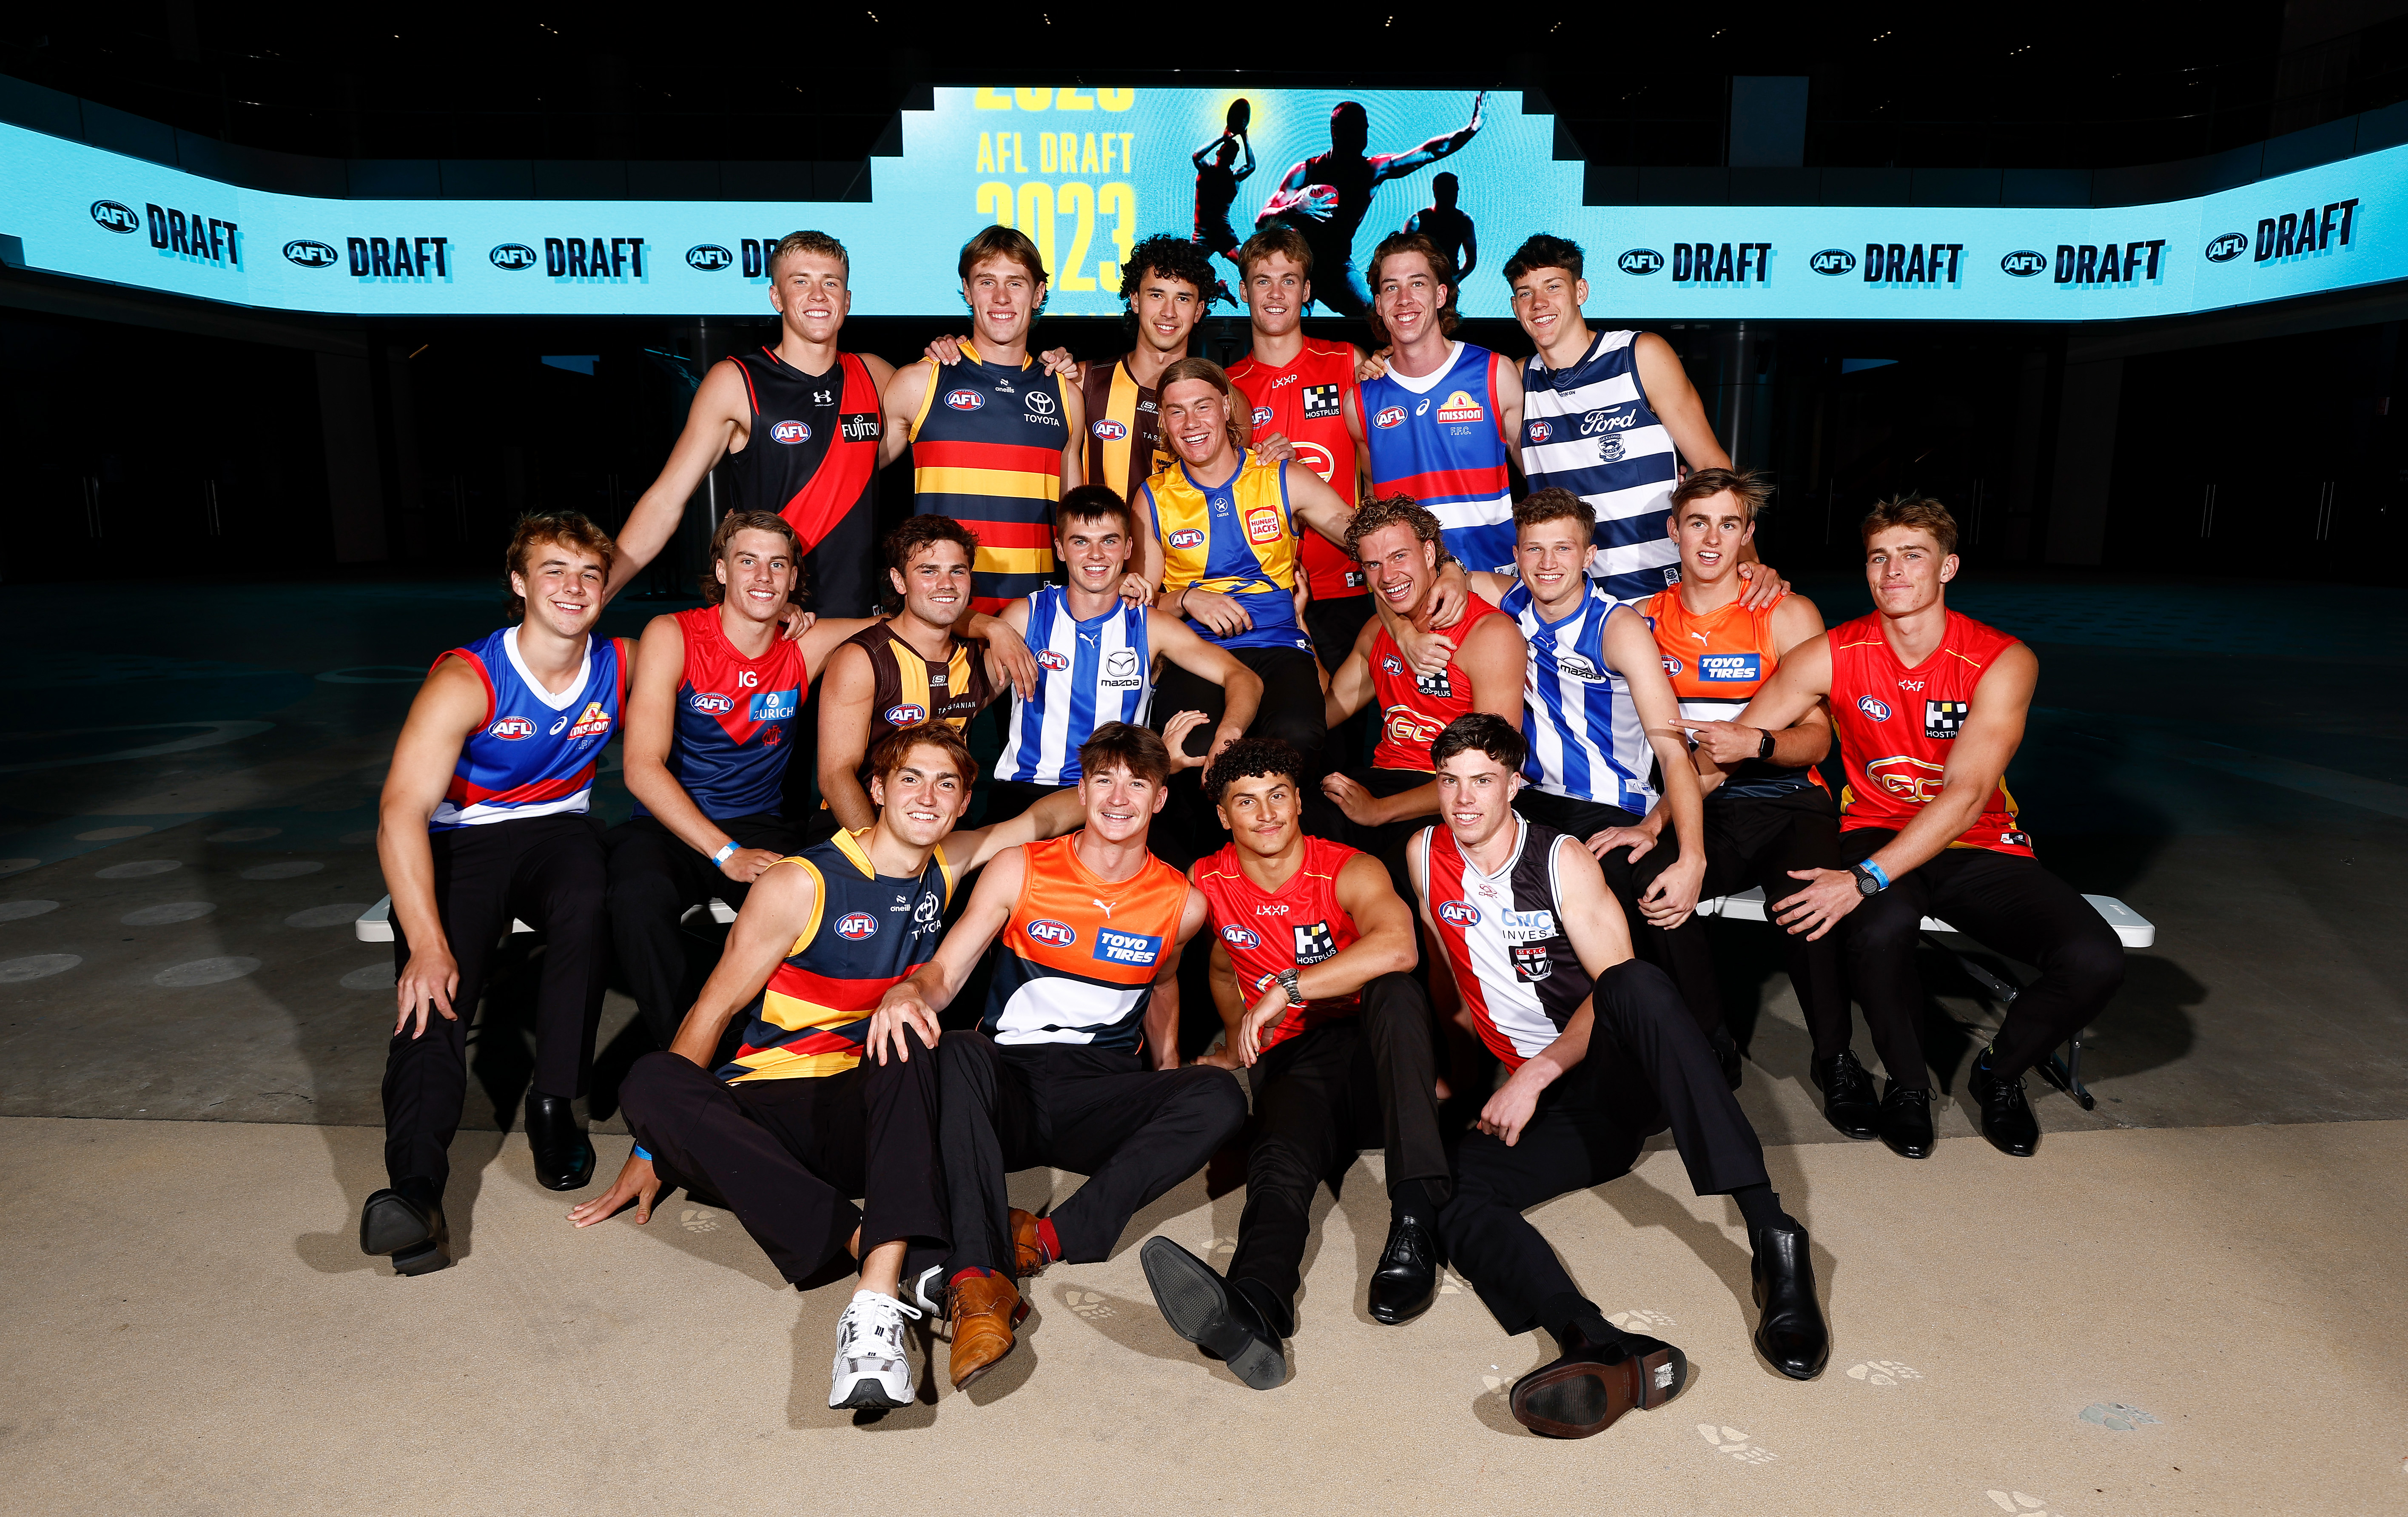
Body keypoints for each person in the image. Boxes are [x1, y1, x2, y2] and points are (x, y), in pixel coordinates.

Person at [571, 721, 1090, 1411]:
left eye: (946, 784)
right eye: (911, 778)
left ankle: (873, 1300)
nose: (927, 796)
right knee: (650, 1080)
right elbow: (712, 1010)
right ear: (876, 788)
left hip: (871, 1111)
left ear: (963, 802)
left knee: (913, 1030)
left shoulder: (950, 861)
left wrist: (1135, 779)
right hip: (771, 1108)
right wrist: (650, 1143)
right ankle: (892, 1249)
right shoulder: (800, 882)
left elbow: (1042, 816)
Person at [1410, 714, 1829, 1439]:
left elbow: (1611, 991)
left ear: (1513, 784)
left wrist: (1539, 1069)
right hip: (1551, 1110)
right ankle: (1591, 1340)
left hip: (1607, 1077)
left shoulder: (1561, 859)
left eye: (1481, 781)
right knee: (1451, 1197)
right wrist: (1458, 1083)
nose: (1463, 799)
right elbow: (1450, 981)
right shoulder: (1422, 855)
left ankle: (1774, 1239)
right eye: (1449, 781)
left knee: (1637, 982)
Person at [1725, 496, 2125, 1159]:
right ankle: (1909, 1085)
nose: (1893, 570)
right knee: (1880, 930)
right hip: (1874, 828)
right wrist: (1659, 822)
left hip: (1978, 842)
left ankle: (1998, 1072)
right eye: (1879, 557)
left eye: (1913, 555)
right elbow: (1735, 742)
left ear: (1948, 567)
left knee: (2093, 958)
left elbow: (1966, 796)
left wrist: (1863, 879)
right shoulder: (1830, 653)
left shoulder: (2000, 659)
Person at [869, 724, 1247, 1390]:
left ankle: (1047, 1238)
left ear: (1160, 799)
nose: (1119, 795)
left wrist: (1166, 1079)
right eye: (1104, 778)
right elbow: (947, 970)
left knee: (1217, 1095)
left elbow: (1162, 988)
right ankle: (979, 1287)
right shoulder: (1024, 865)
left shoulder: (1181, 902)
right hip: (1006, 1082)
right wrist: (910, 988)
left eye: (1137, 782)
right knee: (957, 1048)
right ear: (1083, 788)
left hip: (1099, 1090)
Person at [361, 513, 632, 1275]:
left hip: (559, 831)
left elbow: (734, 646)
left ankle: (556, 1102)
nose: (573, 588)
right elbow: (398, 812)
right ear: (519, 584)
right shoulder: (467, 678)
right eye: (554, 571)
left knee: (590, 897)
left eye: (588, 574)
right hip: (460, 837)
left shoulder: (621, 661)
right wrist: (425, 941)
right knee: (434, 995)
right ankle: (414, 1190)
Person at [1135, 739, 1450, 1390]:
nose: (1266, 812)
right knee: (1279, 1161)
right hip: (1297, 1057)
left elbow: (1398, 947)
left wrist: (1291, 986)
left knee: (1394, 989)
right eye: (1245, 801)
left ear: (1299, 799)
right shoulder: (1207, 879)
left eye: (1278, 794)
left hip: (1373, 1056)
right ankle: (1253, 1301)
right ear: (1224, 816)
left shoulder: (1349, 868)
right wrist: (1232, 1043)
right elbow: (1217, 966)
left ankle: (1415, 1221)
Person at [608, 510, 960, 1048]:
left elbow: (921, 618)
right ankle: (680, 1056)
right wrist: (724, 853)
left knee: (800, 904)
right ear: (722, 571)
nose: (763, 578)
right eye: (747, 562)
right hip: (668, 821)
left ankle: (768, 1051)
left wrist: (987, 625)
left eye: (778, 565)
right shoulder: (673, 634)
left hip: (762, 823)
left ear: (795, 579)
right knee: (635, 901)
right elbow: (641, 768)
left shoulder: (805, 644)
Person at [1389, 488, 1716, 1062]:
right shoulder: (1503, 596)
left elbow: (1672, 753)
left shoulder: (1618, 628)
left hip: (1608, 803)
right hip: (1528, 800)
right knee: (1435, 868)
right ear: (1514, 554)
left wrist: (1691, 856)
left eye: (1562, 548)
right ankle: (1475, 1039)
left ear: (1589, 555)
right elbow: (1393, 580)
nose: (1546, 564)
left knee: (1657, 890)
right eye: (1533, 549)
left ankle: (1707, 1045)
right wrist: (1408, 629)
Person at [1622, 470, 1868, 1133]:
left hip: (1786, 796)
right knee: (1655, 892)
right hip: (1701, 801)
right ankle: (1710, 1045)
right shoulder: (1643, 619)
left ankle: (1835, 1057)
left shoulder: (1787, 613)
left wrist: (1753, 743)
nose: (1711, 537)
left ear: (1748, 535)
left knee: (1807, 899)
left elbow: (1817, 739)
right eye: (1696, 522)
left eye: (1727, 524)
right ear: (1672, 530)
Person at [606, 231, 891, 617]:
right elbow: (666, 500)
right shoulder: (736, 382)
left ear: (847, 300)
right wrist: (603, 590)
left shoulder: (874, 375)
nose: (819, 295)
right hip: (770, 618)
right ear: (777, 298)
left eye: (831, 283)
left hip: (858, 619)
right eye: (801, 282)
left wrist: (953, 350)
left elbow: (947, 419)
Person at [1502, 233, 1782, 606]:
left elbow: (1711, 466)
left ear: (1580, 291)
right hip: (1571, 600)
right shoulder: (1515, 381)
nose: (1539, 303)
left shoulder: (1640, 355)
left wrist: (1749, 564)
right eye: (1525, 293)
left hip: (1660, 591)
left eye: (1553, 286)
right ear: (1514, 306)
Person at [1129, 357, 1362, 779]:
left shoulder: (1281, 476)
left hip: (1278, 645)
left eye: (1202, 406)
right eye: (1175, 411)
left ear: (1224, 408)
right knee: (1194, 748)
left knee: (1296, 737)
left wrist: (1438, 560)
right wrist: (1186, 598)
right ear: (1163, 421)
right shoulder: (1153, 497)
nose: (1190, 423)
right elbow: (1140, 613)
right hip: (1196, 652)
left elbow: (1364, 536)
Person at [988, 485, 1263, 825]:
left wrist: (1227, 736)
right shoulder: (1023, 617)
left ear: (1128, 547)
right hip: (1027, 791)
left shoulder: (1151, 626)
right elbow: (970, 693)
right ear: (1060, 549)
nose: (1096, 555)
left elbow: (1243, 677)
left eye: (1109, 540)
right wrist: (989, 627)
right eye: (1080, 541)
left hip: (1118, 799)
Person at [1320, 494, 1526, 893]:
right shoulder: (1377, 631)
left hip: (1451, 797)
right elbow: (1325, 712)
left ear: (1430, 553)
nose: (1387, 576)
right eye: (1373, 565)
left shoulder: (1490, 634)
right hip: (1381, 781)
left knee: (1389, 884)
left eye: (1399, 557)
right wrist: (1295, 631)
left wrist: (1380, 811)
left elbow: (1492, 768)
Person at [880, 226, 1085, 613]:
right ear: (967, 289)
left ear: (1039, 293)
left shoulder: (1066, 394)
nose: (1002, 297)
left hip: (1033, 617)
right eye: (987, 281)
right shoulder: (920, 381)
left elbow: (1075, 526)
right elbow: (849, 475)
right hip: (940, 615)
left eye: (1016, 283)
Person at [814, 515, 1036, 837]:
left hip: (938, 828)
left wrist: (1122, 587)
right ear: (899, 581)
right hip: (858, 828)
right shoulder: (862, 659)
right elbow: (836, 777)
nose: (946, 584)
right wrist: (882, 859)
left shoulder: (976, 660)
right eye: (929, 571)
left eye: (957, 571)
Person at [1224, 225, 1373, 693]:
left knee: (1341, 747)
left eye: (1288, 280)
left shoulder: (1348, 362)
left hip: (1347, 587)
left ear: (1307, 291)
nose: (1275, 293)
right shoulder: (1226, 388)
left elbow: (1378, 469)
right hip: (1261, 596)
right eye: (1262, 280)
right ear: (1244, 290)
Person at [1357, 232, 1522, 575]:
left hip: (1495, 584)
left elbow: (1538, 479)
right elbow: (1374, 506)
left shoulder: (1495, 374)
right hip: (1411, 591)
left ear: (1440, 294)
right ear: (1378, 304)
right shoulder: (1359, 399)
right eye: (1391, 288)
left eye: (1417, 284)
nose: (1404, 299)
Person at [1257, 93, 1486, 317]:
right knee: (1285, 323)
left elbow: (1427, 152)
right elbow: (1262, 221)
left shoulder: (1372, 170)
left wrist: (1471, 130)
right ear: (1336, 132)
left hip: (1338, 269)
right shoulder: (1305, 172)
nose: (1362, 136)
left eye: (1364, 129)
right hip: (1298, 265)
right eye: (1355, 130)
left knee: (1375, 320)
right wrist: (1295, 209)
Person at [1190, 127, 1256, 279]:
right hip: (1203, 235)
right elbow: (1196, 156)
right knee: (1189, 274)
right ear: (1218, 153)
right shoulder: (1206, 169)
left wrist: (1244, 135)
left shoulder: (1233, 178)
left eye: (1231, 154)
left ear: (1232, 160)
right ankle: (1219, 289)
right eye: (1226, 151)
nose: (1227, 155)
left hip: (1222, 234)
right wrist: (1223, 138)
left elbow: (1251, 166)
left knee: (1249, 266)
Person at [1405, 171, 1477, 286]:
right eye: (1449, 190)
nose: (1454, 195)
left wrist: (1455, 281)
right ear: (1436, 192)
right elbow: (1404, 254)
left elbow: (1471, 260)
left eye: (1455, 190)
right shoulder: (1418, 220)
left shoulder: (1464, 222)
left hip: (1448, 280)